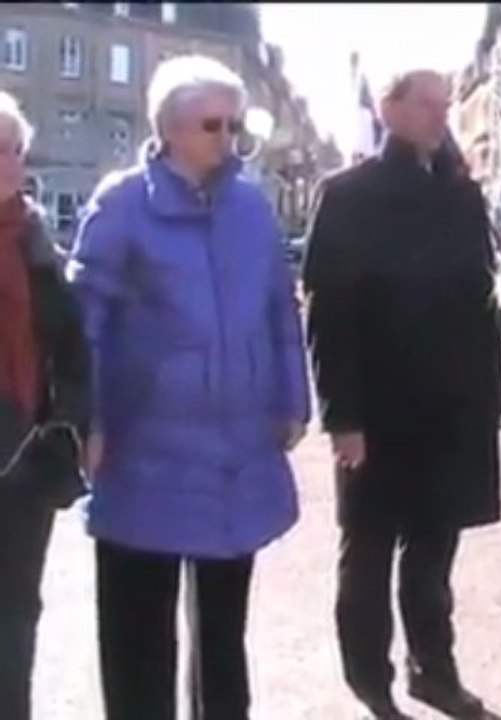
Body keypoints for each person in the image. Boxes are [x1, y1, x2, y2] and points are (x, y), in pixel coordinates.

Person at [66, 55, 310, 719]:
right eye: (213, 124)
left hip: (239, 451)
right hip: (145, 447)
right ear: (170, 127)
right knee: (138, 629)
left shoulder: (251, 207)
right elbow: (83, 323)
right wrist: (85, 420)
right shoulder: (122, 206)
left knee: (223, 633)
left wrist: (293, 398)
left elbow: (279, 310)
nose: (228, 138)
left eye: (235, 124)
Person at [303, 68, 501, 720]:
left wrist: (488, 404)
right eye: (425, 103)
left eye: (445, 105)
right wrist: (342, 416)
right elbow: (327, 314)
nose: (439, 115)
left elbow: (478, 304)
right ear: (388, 109)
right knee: (366, 553)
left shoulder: (459, 194)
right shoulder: (348, 193)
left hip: (451, 411)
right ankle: (370, 681)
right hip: (377, 409)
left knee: (433, 555)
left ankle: (434, 670)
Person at [0, 91, 90, 720]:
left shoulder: (37, 244)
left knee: (14, 609)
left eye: (13, 149)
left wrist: (69, 428)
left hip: (22, 454)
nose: (5, 161)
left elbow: (70, 347)